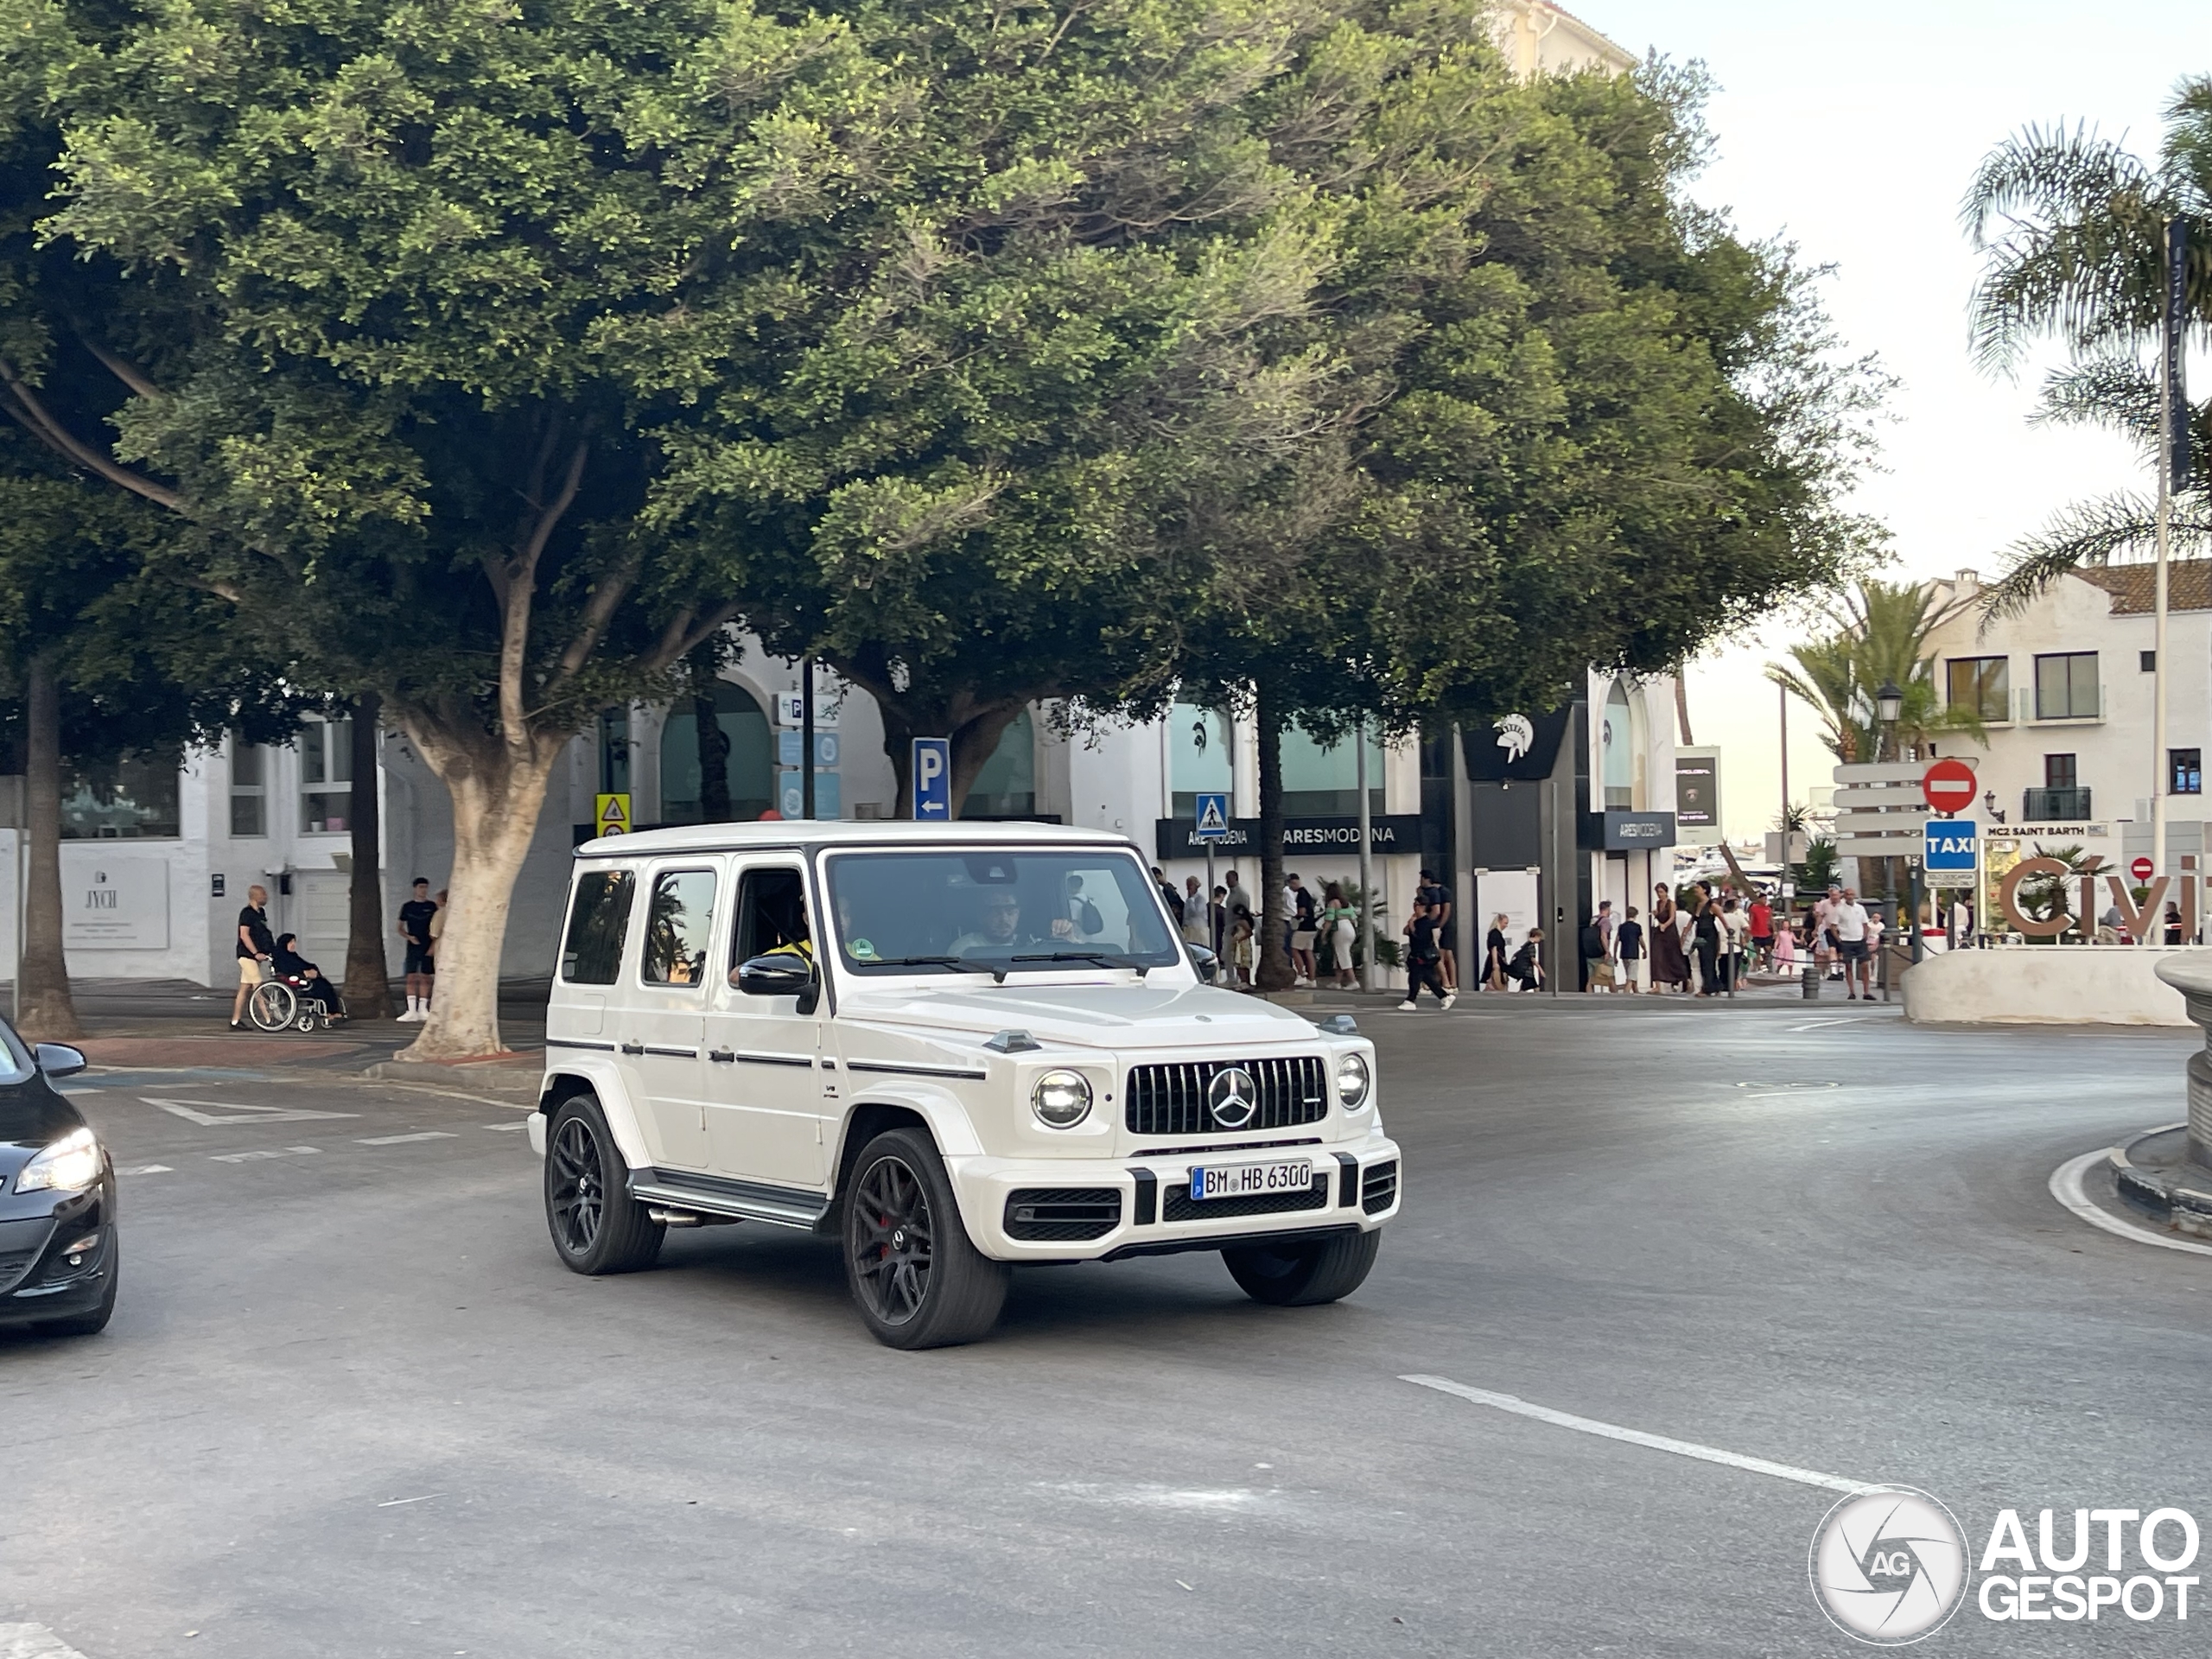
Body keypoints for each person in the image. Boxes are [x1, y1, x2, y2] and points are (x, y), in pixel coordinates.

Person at [950, 889, 1075, 957]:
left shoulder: (1033, 944)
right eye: (996, 912)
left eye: (1010, 911)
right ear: (981, 916)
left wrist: (1066, 941)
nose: (1004, 919)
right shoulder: (964, 948)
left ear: (1018, 914)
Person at [230, 883, 275, 1029]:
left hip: (255, 956)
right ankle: (268, 1020)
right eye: (263, 895)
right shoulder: (247, 913)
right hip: (247, 955)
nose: (266, 897)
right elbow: (244, 935)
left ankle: (235, 1021)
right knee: (258, 987)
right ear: (255, 896)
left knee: (244, 988)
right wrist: (255, 953)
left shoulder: (261, 913)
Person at [1398, 901, 1454, 1010]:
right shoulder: (1417, 921)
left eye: (1417, 906)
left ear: (1423, 907)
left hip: (1422, 955)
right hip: (1417, 954)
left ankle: (1410, 1000)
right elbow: (1405, 932)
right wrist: (1410, 923)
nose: (1415, 908)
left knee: (1415, 977)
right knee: (1427, 978)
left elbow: (1421, 938)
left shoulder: (1427, 923)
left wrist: (1412, 926)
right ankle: (1444, 996)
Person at [397, 877, 439, 1021]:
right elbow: (400, 928)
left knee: (425, 976)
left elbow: (436, 926)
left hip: (428, 943)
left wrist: (433, 945)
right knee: (411, 976)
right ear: (415, 888)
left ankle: (423, 1008)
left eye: (425, 887)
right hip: (413, 945)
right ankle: (411, 1010)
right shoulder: (408, 907)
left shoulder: (432, 906)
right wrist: (409, 937)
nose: (423, 890)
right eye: (421, 887)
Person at [272, 932, 342, 1019]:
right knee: (321, 986)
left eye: (294, 942)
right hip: (295, 983)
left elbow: (305, 964)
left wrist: (312, 970)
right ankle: (330, 1012)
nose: (293, 944)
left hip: (305, 979)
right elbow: (286, 970)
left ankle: (332, 1011)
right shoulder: (281, 958)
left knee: (323, 984)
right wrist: (304, 973)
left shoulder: (293, 956)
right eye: (291, 942)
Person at [1419, 870, 1459, 993]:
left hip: (1443, 925)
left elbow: (1445, 910)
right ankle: (1451, 983)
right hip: (1441, 925)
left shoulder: (1441, 892)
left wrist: (1439, 926)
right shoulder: (1437, 891)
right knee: (1447, 954)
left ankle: (1447, 982)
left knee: (1440, 954)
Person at [1832, 886, 1872, 1000]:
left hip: (1859, 940)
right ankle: (1852, 991)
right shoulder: (1839, 909)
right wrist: (1839, 939)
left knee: (1865, 965)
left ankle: (1866, 992)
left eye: (1852, 894)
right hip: (1846, 941)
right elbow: (1833, 926)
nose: (1850, 896)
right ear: (1844, 895)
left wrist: (1864, 936)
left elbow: (1865, 924)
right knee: (1848, 966)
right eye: (1848, 894)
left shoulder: (1860, 908)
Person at [1649, 883, 1689, 993]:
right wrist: (1656, 915)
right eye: (1658, 892)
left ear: (1666, 892)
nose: (1659, 894)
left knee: (1673, 957)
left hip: (1669, 933)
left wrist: (1665, 925)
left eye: (1661, 892)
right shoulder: (1658, 903)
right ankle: (1657, 984)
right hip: (1659, 933)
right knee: (1657, 957)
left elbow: (1672, 917)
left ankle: (1683, 978)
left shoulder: (1671, 903)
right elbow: (1659, 917)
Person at [1322, 883, 1358, 988]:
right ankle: (1337, 982)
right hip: (1349, 928)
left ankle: (1353, 981)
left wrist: (1323, 934)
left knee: (1343, 954)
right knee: (1340, 954)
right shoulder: (1347, 903)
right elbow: (1354, 918)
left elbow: (1329, 920)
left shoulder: (1333, 903)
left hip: (1340, 928)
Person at [1287, 874, 1319, 987]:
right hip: (1312, 927)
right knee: (1308, 951)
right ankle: (1312, 979)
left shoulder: (1301, 894)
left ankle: (1301, 974)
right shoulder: (1306, 893)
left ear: (1293, 883)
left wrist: (1293, 915)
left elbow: (1301, 912)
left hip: (1303, 927)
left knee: (1294, 949)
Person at [1691, 896, 1723, 996]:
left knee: (1708, 962)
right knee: (1704, 961)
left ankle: (1707, 988)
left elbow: (1722, 918)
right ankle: (1715, 986)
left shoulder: (1712, 906)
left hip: (1710, 935)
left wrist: (1729, 931)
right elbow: (1693, 920)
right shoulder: (1697, 905)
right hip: (1700, 934)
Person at [1580, 912, 1613, 993]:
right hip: (1601, 954)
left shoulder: (1593, 920)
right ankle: (1616, 998)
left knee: (1590, 979)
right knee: (1610, 977)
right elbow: (1603, 936)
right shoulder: (1605, 921)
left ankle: (1589, 998)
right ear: (1607, 909)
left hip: (1590, 953)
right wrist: (1607, 951)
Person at [1615, 906, 1644, 993]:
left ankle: (1637, 992)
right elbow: (1641, 940)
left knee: (1631, 975)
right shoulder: (1637, 927)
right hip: (1634, 954)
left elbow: (1616, 941)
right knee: (1630, 978)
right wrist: (1645, 950)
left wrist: (1615, 954)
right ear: (1635, 915)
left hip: (1624, 954)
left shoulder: (1622, 927)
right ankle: (1625, 994)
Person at [1505, 928, 1544, 992]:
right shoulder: (1532, 946)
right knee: (1535, 987)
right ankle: (1538, 1000)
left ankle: (1520, 997)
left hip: (1524, 971)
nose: (1540, 940)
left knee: (1527, 987)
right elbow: (1533, 959)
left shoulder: (1526, 945)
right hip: (1527, 971)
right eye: (1540, 938)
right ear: (1536, 936)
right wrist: (1540, 970)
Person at [1230, 905, 1255, 987]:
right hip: (1239, 943)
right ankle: (1244, 981)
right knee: (1240, 963)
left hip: (1242, 944)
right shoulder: (1239, 921)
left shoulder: (1242, 921)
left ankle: (1245, 981)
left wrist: (1239, 939)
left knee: (1241, 963)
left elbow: (1249, 932)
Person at [1747, 889, 1774, 969]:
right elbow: (1751, 919)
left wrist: (1775, 930)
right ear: (1759, 899)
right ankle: (1759, 967)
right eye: (1763, 899)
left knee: (1768, 949)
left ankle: (1768, 964)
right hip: (1756, 933)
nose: (1765, 901)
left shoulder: (1768, 909)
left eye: (1766, 899)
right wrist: (1749, 930)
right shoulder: (1754, 908)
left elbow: (1771, 919)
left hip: (1766, 933)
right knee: (1757, 950)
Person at [1181, 876, 1210, 946]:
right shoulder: (1188, 900)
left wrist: (1191, 900)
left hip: (1198, 929)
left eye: (1190, 885)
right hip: (1189, 929)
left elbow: (1197, 913)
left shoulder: (1200, 899)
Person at [1484, 913, 1510, 991]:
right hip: (1497, 960)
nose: (1506, 926)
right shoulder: (1495, 933)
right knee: (1496, 982)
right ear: (1499, 922)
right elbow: (1494, 948)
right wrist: (1495, 963)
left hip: (1497, 960)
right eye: (1505, 923)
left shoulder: (1495, 933)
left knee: (1493, 982)